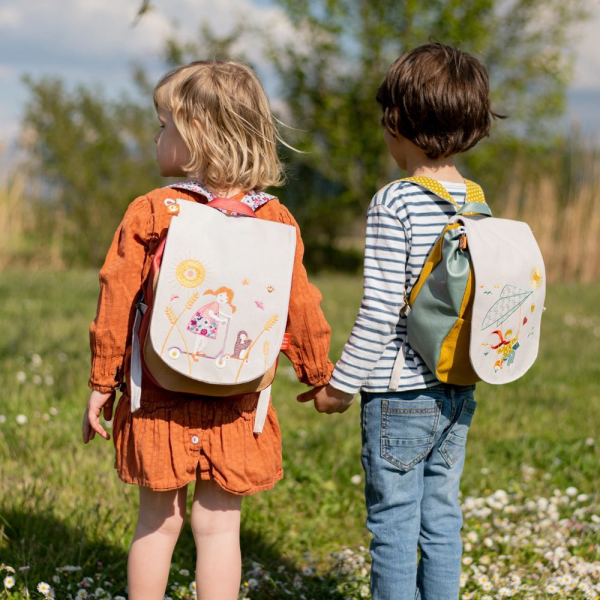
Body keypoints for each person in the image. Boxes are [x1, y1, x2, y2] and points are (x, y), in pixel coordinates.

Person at [82, 60, 333, 600]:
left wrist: (103, 381)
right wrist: (318, 373)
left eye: (164, 126)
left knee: (157, 524)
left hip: (160, 398)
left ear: (197, 136)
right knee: (220, 529)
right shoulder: (276, 220)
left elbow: (115, 299)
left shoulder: (152, 211)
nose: (157, 137)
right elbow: (300, 305)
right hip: (239, 401)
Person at [298, 43, 501, 599]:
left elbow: (380, 312)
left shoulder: (395, 202)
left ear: (396, 124)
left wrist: (340, 386)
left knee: (392, 526)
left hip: (399, 396)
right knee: (442, 519)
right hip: (458, 387)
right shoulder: (478, 200)